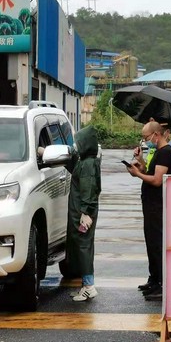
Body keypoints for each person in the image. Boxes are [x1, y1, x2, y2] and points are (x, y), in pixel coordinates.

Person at [126, 120, 171, 301]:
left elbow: (156, 180)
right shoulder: (158, 152)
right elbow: (150, 172)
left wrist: (137, 174)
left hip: (158, 206)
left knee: (157, 244)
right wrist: (140, 164)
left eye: (146, 137)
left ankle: (162, 284)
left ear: (156, 135)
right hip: (150, 204)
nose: (145, 141)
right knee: (151, 242)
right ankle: (154, 279)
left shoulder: (166, 153)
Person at [65, 125, 102, 302]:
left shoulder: (88, 165)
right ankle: (85, 285)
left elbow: (88, 190)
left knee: (84, 247)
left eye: (78, 142)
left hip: (83, 213)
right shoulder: (85, 162)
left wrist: (86, 213)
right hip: (81, 212)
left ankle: (89, 287)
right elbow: (74, 169)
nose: (76, 145)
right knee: (82, 246)